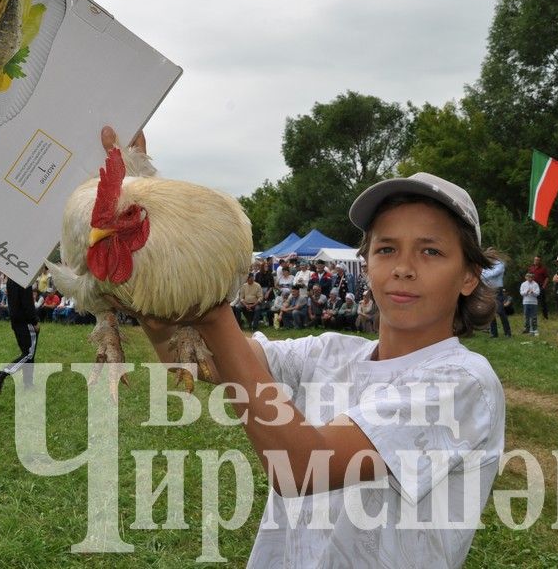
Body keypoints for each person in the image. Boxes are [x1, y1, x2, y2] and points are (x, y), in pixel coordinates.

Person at [109, 129, 503, 567]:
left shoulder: (463, 382)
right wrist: (148, 266)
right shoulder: (331, 352)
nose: (404, 269)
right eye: (387, 249)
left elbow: (301, 467)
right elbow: (207, 366)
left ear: (469, 276)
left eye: (431, 252)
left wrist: (213, 310)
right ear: (367, 263)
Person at [0, 279, 41, 393]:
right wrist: (34, 321)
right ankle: (1, 374)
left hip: (16, 321)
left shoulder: (11, 279)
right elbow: (27, 304)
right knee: (28, 354)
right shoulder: (24, 280)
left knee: (27, 354)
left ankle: (28, 384)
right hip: (26, 322)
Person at [481, 256, 511, 338]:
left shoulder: (500, 264)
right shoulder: (486, 264)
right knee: (491, 311)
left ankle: (507, 332)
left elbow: (494, 273)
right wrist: (487, 274)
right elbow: (481, 275)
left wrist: (486, 274)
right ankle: (494, 333)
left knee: (500, 311)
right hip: (487, 289)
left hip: (497, 289)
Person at [526, 255, 550, 320]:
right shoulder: (531, 268)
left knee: (543, 302)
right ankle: (531, 315)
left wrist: (543, 286)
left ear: (540, 261)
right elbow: (528, 276)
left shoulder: (543, 268)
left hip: (540, 287)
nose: (536, 261)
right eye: (535, 260)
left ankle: (545, 316)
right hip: (532, 287)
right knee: (531, 301)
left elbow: (547, 277)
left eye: (537, 260)